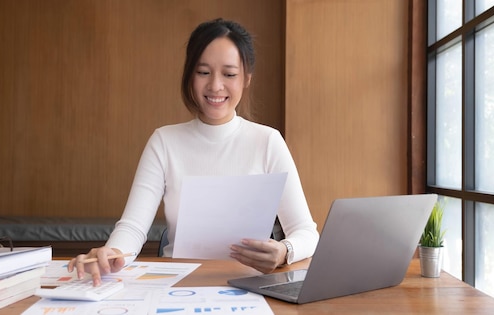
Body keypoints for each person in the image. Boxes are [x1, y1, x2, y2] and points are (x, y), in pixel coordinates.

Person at [68, 18, 319, 286]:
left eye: (229, 74)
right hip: (177, 286)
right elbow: (133, 227)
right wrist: (113, 253)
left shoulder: (267, 141)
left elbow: (306, 232)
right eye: (203, 72)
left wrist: (284, 252)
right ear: (189, 75)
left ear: (246, 78)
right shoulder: (164, 141)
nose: (215, 86)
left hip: (249, 288)